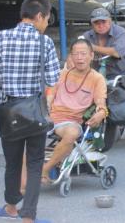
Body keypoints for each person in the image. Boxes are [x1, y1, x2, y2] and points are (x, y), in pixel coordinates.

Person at [0, 0, 60, 223]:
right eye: (46, 19)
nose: (46, 24)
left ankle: (10, 208)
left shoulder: (0, 38)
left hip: (9, 111)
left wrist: (6, 86)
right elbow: (54, 77)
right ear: (38, 16)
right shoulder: (44, 42)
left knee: (12, 163)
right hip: (35, 111)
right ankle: (28, 217)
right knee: (35, 163)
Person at [40, 38, 107, 182]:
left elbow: (101, 102)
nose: (79, 58)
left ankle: (45, 170)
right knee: (23, 131)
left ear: (91, 56)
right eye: (75, 54)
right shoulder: (62, 73)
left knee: (72, 134)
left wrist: (101, 113)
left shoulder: (97, 79)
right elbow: (50, 89)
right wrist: (49, 99)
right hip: (50, 117)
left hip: (71, 121)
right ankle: (24, 178)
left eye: (83, 54)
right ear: (70, 56)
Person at [81, 7, 125, 89]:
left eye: (104, 22)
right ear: (92, 24)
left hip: (124, 74)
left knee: (115, 93)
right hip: (98, 76)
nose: (101, 26)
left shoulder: (120, 32)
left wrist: (91, 47)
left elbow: (117, 53)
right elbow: (76, 54)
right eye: (96, 23)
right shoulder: (87, 36)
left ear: (110, 21)